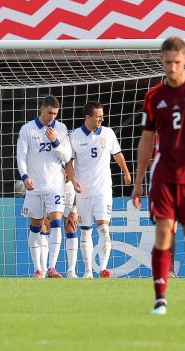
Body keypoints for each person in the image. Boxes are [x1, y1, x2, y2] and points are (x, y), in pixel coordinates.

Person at [131, 37, 185, 315]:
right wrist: (138, 180)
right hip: (164, 176)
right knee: (163, 233)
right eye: (167, 62)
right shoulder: (154, 96)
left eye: (176, 62)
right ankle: (160, 298)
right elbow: (146, 140)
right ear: (161, 60)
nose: (172, 67)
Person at [69, 102, 132, 278]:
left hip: (102, 190)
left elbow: (117, 154)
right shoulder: (74, 136)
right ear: (87, 118)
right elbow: (68, 162)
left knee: (104, 228)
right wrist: (73, 180)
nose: (101, 119)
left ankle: (103, 268)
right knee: (85, 231)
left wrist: (126, 172)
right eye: (98, 116)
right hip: (83, 192)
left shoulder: (108, 133)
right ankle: (88, 272)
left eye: (102, 115)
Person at [17, 95, 75, 278]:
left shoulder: (61, 128)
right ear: (42, 109)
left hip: (55, 186)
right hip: (35, 187)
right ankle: (38, 269)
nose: (52, 117)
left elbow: (67, 157)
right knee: (36, 225)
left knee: (56, 223)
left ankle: (51, 267)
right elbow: (21, 156)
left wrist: (56, 141)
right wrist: (25, 177)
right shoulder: (27, 129)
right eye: (50, 113)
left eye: (55, 114)